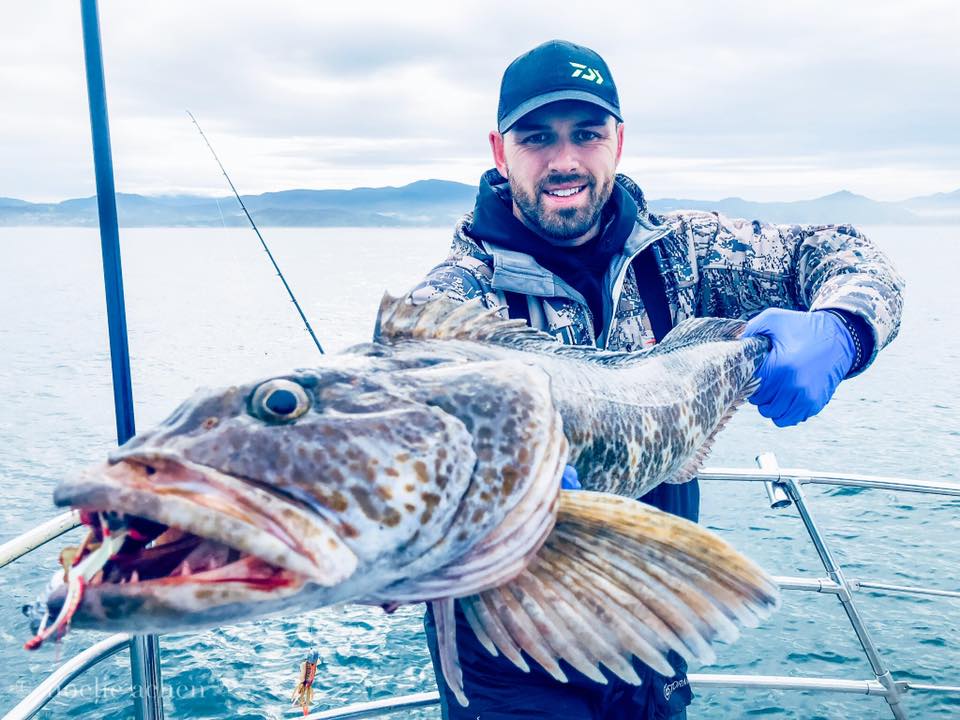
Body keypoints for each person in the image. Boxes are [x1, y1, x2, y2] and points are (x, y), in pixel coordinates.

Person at [411, 39, 904, 720]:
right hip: (511, 655)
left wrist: (846, 328)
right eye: (536, 138)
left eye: (586, 135)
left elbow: (845, 252)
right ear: (500, 151)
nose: (564, 161)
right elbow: (403, 402)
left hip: (654, 627)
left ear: (619, 140)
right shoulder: (456, 300)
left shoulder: (686, 254)